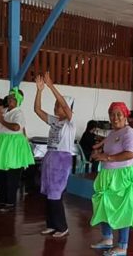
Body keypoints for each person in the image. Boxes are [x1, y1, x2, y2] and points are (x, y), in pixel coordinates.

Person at [90, 102, 133, 256]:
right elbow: (107, 151)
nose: (115, 118)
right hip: (108, 175)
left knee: (123, 209)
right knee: (105, 206)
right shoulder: (112, 134)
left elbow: (130, 153)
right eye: (112, 114)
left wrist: (107, 157)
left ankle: (122, 245)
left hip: (122, 176)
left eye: (118, 114)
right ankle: (107, 238)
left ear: (125, 115)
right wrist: (98, 154)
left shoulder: (130, 133)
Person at [34, 72, 76, 238]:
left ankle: (62, 227)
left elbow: (65, 106)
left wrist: (51, 86)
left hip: (62, 159)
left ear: (67, 108)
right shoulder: (54, 120)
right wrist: (39, 91)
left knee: (55, 193)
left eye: (58, 105)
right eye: (55, 105)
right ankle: (51, 224)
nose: (56, 107)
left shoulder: (70, 122)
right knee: (48, 192)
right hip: (50, 157)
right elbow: (37, 110)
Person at [0, 88, 34, 212]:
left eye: (13, 98)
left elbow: (16, 127)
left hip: (12, 147)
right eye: (10, 97)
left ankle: (10, 203)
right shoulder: (4, 111)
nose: (10, 99)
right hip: (0, 146)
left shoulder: (18, 113)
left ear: (18, 101)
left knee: (11, 176)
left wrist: (1, 119)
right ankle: (0, 201)